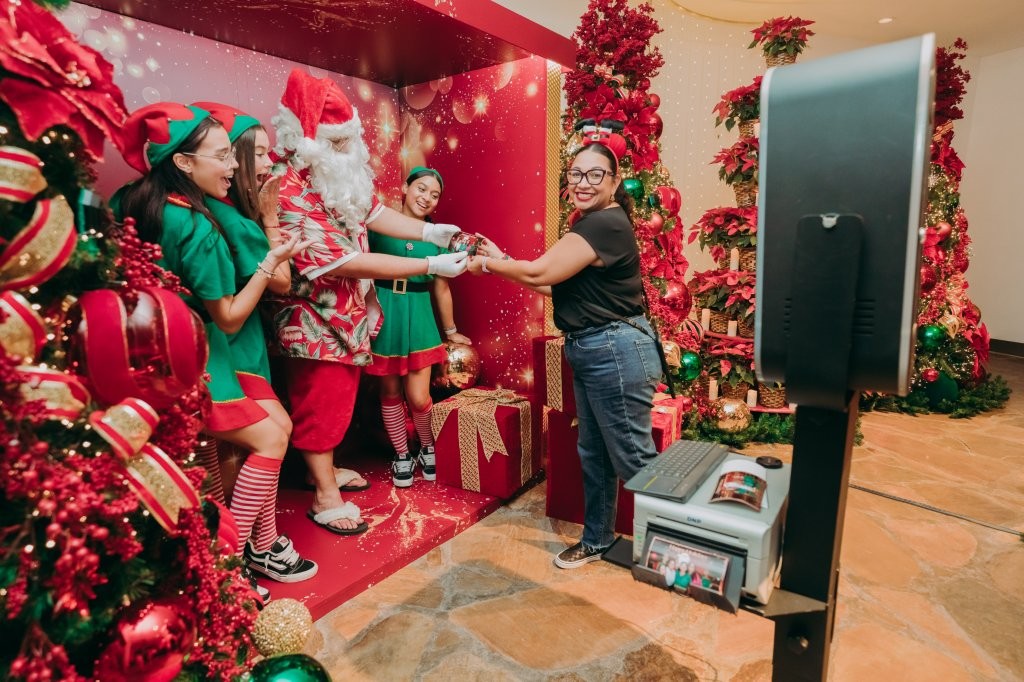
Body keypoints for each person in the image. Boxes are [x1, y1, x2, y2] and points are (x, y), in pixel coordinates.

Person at [115, 102, 317, 603]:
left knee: (238, 444)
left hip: (161, 348)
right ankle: (225, 566)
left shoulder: (129, 200)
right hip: (202, 350)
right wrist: (271, 261)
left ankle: (243, 550)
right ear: (184, 163)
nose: (233, 167)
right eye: (224, 157)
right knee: (270, 441)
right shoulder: (201, 227)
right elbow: (227, 315)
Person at [268, 68, 468, 535]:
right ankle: (324, 495)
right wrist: (429, 265)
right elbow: (343, 262)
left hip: (347, 320)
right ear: (309, 142)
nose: (347, 152)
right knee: (319, 403)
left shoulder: (336, 176)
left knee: (338, 402)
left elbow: (373, 211)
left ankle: (326, 470)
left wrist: (428, 232)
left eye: (348, 142)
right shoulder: (290, 189)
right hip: (313, 322)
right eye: (337, 144)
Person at [468, 132, 660, 569]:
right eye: (577, 173)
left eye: (596, 174)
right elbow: (548, 280)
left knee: (635, 459)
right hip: (596, 349)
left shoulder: (604, 224)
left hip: (614, 349)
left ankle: (682, 553)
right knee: (594, 451)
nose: (584, 182)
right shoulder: (589, 224)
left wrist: (487, 264)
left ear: (615, 181)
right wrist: (503, 259)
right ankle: (597, 539)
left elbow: (538, 273)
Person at [366, 166, 471, 487]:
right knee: (390, 391)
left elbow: (441, 287)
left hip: (419, 312)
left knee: (419, 395)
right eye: (421, 189)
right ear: (405, 187)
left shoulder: (437, 237)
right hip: (385, 311)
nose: (426, 197)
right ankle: (401, 454)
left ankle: (427, 446)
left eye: (434, 194)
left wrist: (451, 331)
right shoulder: (378, 226)